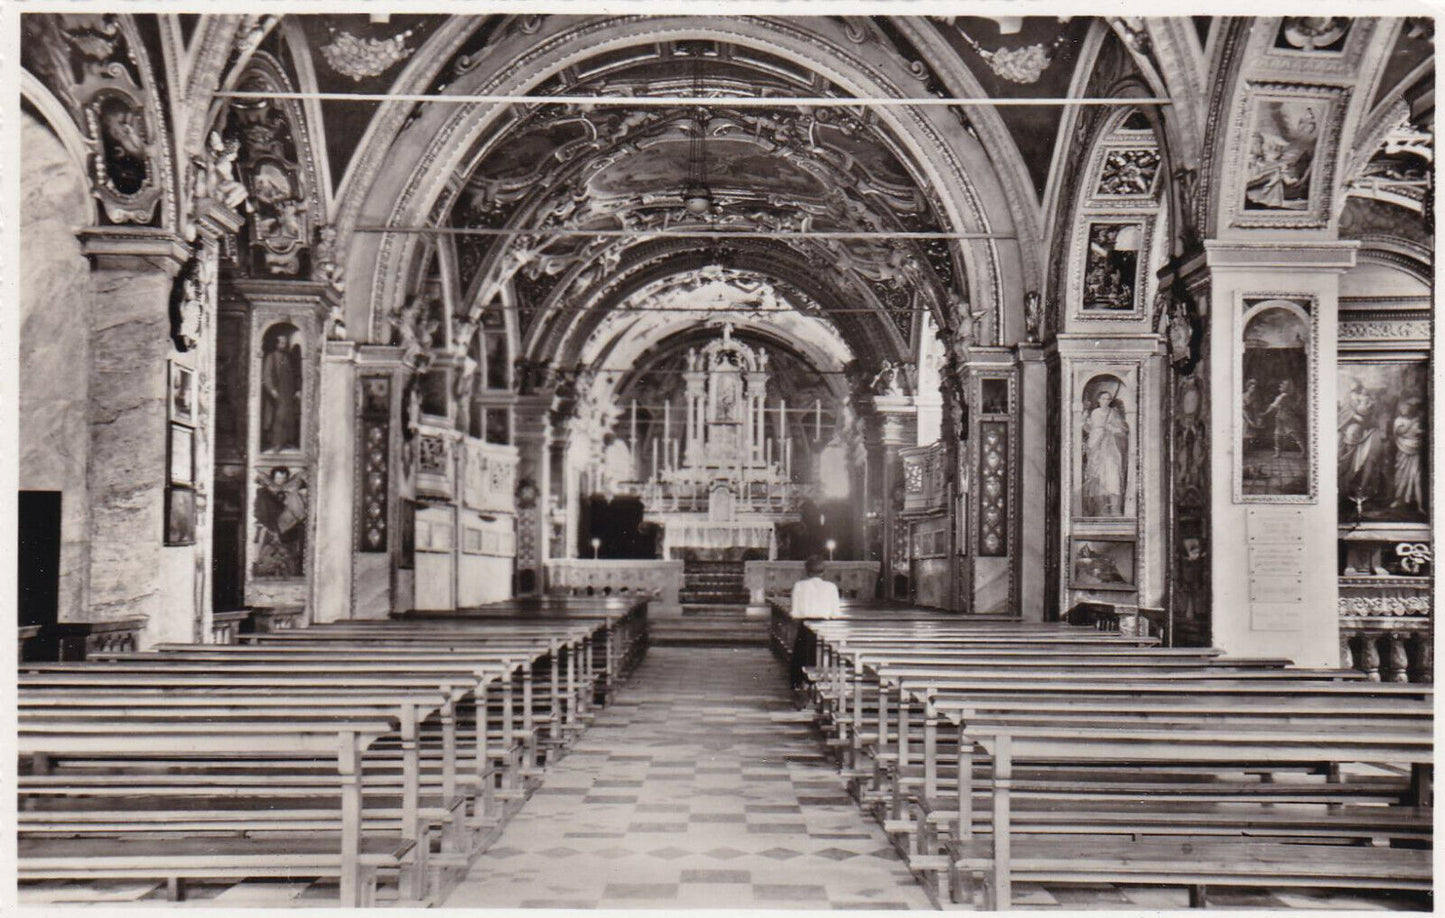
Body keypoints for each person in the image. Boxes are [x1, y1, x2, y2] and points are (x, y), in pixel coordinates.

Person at [789, 555, 841, 691]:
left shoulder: (799, 586)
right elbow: (835, 613)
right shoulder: (831, 587)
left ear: (806, 571)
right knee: (823, 655)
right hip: (825, 627)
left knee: (802, 655)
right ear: (824, 572)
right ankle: (821, 684)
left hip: (806, 626)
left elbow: (795, 612)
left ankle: (799, 684)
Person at [1081, 387, 1128, 516]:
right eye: (1103, 398)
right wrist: (1085, 421)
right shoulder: (1094, 413)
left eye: (1108, 399)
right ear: (1098, 400)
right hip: (1096, 447)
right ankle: (1101, 510)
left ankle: (1114, 508)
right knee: (1098, 477)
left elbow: (1122, 431)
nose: (1106, 401)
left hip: (1110, 448)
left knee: (1112, 475)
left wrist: (1111, 428)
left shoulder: (1113, 413)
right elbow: (1089, 428)